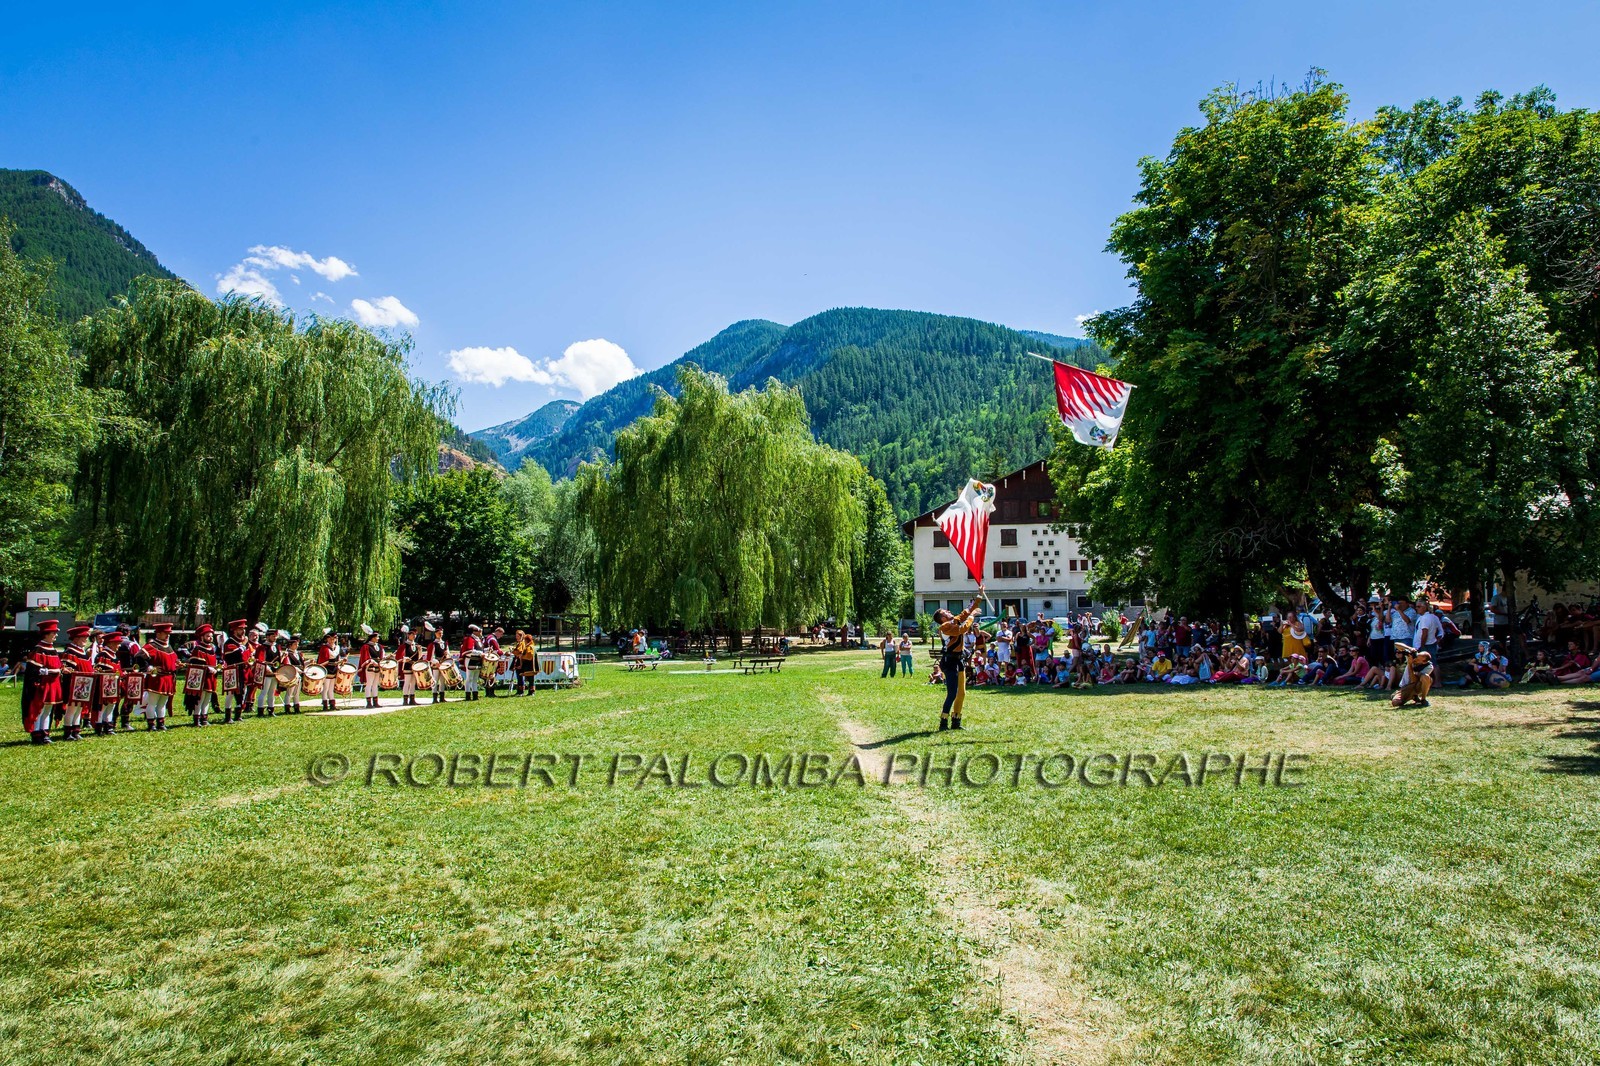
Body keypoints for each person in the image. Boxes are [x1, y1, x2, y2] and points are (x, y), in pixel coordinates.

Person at [934, 591, 984, 731]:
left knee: (961, 693)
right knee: (952, 693)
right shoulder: (944, 627)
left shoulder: (953, 621)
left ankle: (956, 721)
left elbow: (966, 612)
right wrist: (972, 617)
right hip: (949, 662)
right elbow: (962, 629)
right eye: (946, 611)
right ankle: (943, 722)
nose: (949, 611)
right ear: (942, 618)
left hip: (958, 661)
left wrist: (979, 596)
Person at [139, 623, 178, 730]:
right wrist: (149, 668)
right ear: (159, 633)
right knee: (152, 702)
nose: (168, 635)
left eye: (169, 633)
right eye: (166, 633)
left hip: (168, 678)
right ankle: (151, 724)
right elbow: (139, 657)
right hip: (157, 678)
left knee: (163, 703)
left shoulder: (168, 646)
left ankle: (161, 723)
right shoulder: (152, 646)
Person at [220, 619, 251, 724]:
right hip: (232, 671)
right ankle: (228, 716)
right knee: (230, 693)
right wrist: (242, 646)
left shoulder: (243, 643)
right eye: (240, 629)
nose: (243, 631)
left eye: (243, 629)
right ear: (234, 630)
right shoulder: (230, 642)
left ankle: (238, 714)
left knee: (243, 692)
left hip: (243, 670)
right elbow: (233, 655)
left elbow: (247, 655)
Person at [358, 625, 385, 709]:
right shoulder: (366, 646)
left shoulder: (380, 646)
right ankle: (368, 702)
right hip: (370, 667)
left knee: (375, 685)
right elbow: (366, 657)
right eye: (377, 637)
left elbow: (382, 656)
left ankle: (375, 701)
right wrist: (371, 661)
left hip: (378, 667)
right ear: (372, 638)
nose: (378, 638)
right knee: (369, 684)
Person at [316, 629, 342, 713]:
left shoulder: (337, 647)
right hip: (327, 669)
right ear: (327, 639)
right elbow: (323, 660)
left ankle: (332, 704)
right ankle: (325, 704)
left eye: (334, 639)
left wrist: (341, 661)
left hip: (334, 669)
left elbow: (337, 658)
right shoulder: (324, 647)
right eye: (330, 639)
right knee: (326, 687)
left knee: (331, 688)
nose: (332, 640)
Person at [279, 634, 305, 714]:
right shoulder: (288, 654)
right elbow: (288, 664)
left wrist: (308, 662)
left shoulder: (298, 653)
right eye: (295, 644)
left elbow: (301, 664)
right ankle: (287, 707)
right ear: (290, 645)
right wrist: (297, 669)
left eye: (297, 644)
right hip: (292, 675)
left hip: (299, 675)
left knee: (296, 692)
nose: (297, 645)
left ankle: (296, 707)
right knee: (290, 692)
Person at [459, 624, 483, 701]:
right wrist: (480, 653)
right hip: (470, 659)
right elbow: (469, 650)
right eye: (479, 631)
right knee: (469, 678)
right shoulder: (470, 639)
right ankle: (468, 695)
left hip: (477, 660)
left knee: (475, 678)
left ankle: (475, 695)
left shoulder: (478, 640)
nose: (480, 632)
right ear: (475, 632)